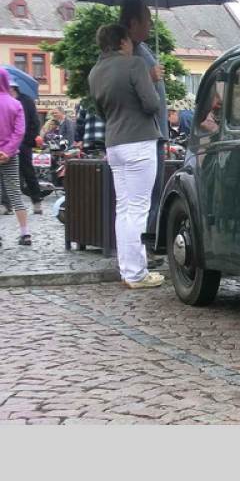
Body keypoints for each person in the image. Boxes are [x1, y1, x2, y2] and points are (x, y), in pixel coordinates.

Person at [88, 24, 164, 289]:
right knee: (139, 209)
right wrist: (153, 81)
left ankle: (128, 269)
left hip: (114, 144)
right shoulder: (135, 64)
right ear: (122, 42)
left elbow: (101, 111)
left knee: (123, 209)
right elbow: (152, 104)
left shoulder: (95, 72)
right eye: (130, 41)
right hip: (139, 141)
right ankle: (137, 274)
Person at [119, 0, 167, 248]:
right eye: (147, 20)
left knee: (152, 195)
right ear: (133, 22)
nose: (150, 25)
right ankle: (140, 249)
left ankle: (147, 245)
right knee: (140, 201)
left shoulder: (143, 48)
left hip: (155, 132)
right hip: (142, 135)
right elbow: (121, 90)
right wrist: (149, 77)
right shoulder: (124, 51)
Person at [0, 68, 32, 246]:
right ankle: (25, 234)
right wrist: (7, 151)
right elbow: (19, 132)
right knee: (15, 194)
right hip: (10, 156)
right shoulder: (15, 104)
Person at [7, 79, 44, 213]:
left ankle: (36, 201)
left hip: (23, 142)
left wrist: (27, 140)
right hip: (7, 143)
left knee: (28, 172)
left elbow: (35, 122)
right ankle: (6, 204)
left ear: (12, 87)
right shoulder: (4, 100)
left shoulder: (26, 100)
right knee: (6, 174)